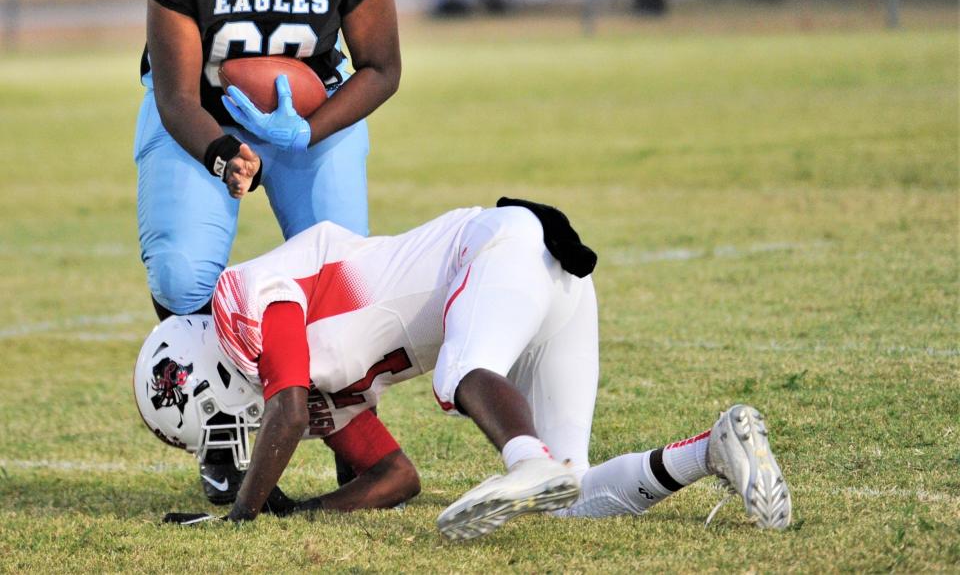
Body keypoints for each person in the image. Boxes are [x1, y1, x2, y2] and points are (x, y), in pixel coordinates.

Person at [135, 200, 792, 539]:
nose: (233, 431)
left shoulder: (247, 298)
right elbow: (397, 478)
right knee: (574, 492)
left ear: (203, 375)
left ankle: (524, 459)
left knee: (461, 369)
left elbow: (287, 411)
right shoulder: (308, 383)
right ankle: (713, 450)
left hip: (497, 247)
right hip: (543, 284)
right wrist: (303, 511)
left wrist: (242, 515)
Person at [121, 0, 402, 504]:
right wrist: (221, 152)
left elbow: (382, 67)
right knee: (184, 279)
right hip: (203, 117)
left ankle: (355, 439)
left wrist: (308, 130)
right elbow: (178, 94)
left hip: (317, 119)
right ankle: (220, 426)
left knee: (341, 288)